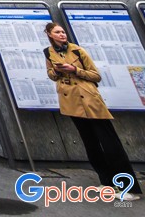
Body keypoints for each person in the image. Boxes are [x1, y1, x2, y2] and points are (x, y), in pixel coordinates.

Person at [44, 22, 141, 199]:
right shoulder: (48, 53)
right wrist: (57, 72)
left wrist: (75, 69)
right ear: (49, 34)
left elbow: (96, 75)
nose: (62, 35)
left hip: (90, 101)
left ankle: (129, 188)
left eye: (63, 32)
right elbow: (50, 73)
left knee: (111, 144)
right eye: (57, 32)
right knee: (91, 145)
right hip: (71, 102)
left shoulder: (77, 51)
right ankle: (106, 182)